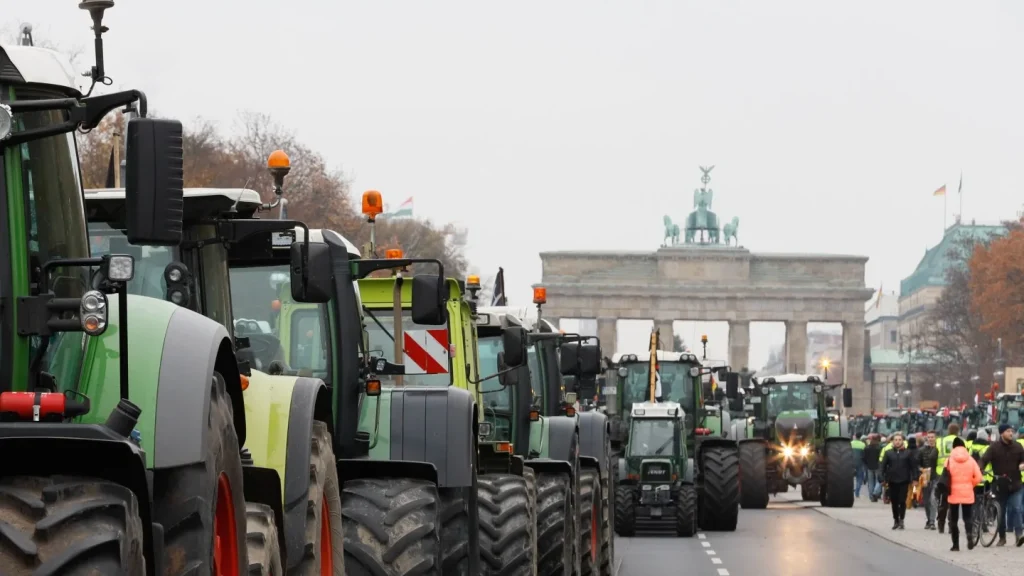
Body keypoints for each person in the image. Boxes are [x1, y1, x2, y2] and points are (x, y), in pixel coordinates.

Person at [979, 423, 1024, 546]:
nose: (1011, 433)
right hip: (999, 485)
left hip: (1015, 484)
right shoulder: (994, 447)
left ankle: (1019, 535)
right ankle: (1002, 537)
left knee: (1017, 508)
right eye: (1008, 431)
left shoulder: (1018, 446)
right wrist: (980, 468)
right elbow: (984, 459)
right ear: (1002, 433)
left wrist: (1022, 464)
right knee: (1001, 512)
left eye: (1012, 431)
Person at [945, 437, 983, 551]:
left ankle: (955, 545)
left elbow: (945, 477)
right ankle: (970, 535)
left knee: (954, 519)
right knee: (968, 517)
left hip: (953, 492)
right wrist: (971, 484)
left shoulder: (949, 460)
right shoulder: (971, 460)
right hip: (967, 492)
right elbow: (979, 477)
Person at [881, 432, 917, 529]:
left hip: (904, 480)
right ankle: (896, 519)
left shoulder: (908, 453)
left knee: (902, 501)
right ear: (892, 441)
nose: (897, 442)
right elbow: (882, 466)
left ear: (903, 441)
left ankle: (901, 520)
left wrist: (915, 478)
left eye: (899, 440)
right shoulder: (888, 453)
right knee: (894, 502)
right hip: (892, 481)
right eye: (895, 440)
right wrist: (882, 478)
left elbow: (914, 467)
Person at [936, 423, 961, 534]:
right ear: (958, 431)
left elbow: (933, 456)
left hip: (942, 474)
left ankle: (941, 525)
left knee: (943, 501)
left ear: (948, 430)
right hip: (956, 475)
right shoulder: (961, 442)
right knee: (954, 502)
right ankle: (952, 526)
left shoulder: (940, 441)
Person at [918, 431, 939, 529]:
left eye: (932, 437)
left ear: (936, 438)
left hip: (936, 477)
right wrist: (921, 469)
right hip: (925, 477)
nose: (931, 439)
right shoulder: (921, 450)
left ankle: (932, 522)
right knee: (926, 501)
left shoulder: (939, 449)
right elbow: (917, 464)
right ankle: (928, 519)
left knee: (933, 499)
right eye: (929, 437)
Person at [863, 434, 882, 502]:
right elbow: (881, 457)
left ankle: (871, 496)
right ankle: (875, 493)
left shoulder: (867, 448)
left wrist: (867, 463)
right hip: (877, 466)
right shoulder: (879, 448)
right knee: (879, 481)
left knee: (870, 482)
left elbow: (864, 458)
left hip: (869, 467)